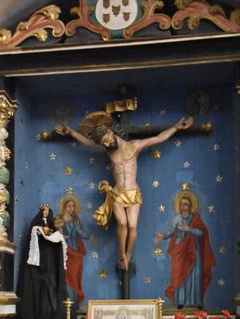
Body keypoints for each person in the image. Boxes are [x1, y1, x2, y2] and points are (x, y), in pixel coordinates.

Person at [56, 112, 193, 269]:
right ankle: (121, 254)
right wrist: (71, 132)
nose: (106, 144)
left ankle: (128, 255)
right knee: (122, 223)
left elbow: (158, 138)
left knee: (132, 226)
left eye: (106, 139)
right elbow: (88, 143)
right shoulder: (109, 150)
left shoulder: (134, 145)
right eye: (104, 143)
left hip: (133, 193)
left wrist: (176, 127)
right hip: (117, 193)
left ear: (110, 132)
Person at [17, 204, 68, 319]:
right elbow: (33, 240)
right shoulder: (35, 228)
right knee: (42, 298)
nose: (45, 213)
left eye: (47, 211)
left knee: (52, 297)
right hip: (39, 269)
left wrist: (54, 236)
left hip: (50, 267)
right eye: (44, 211)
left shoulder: (52, 229)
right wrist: (40, 231)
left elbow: (56, 241)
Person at [154, 191, 215, 308]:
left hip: (193, 250)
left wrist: (189, 229)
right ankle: (180, 301)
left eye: (186, 204)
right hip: (180, 250)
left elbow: (202, 233)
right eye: (181, 204)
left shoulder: (195, 219)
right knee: (179, 275)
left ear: (190, 206)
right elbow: (171, 231)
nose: (183, 207)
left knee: (194, 276)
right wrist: (162, 236)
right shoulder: (177, 218)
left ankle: (196, 302)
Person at [55, 195, 95, 305]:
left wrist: (90, 237)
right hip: (63, 248)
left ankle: (74, 300)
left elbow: (80, 232)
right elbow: (55, 232)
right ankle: (65, 300)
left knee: (75, 275)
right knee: (65, 274)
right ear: (64, 206)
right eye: (69, 206)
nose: (71, 208)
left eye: (73, 206)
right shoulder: (58, 219)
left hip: (75, 248)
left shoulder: (75, 220)